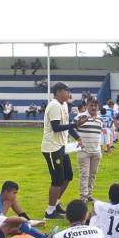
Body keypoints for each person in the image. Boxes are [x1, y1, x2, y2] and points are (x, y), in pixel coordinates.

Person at [41, 82, 81, 219]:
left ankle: (56, 203)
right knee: (57, 180)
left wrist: (78, 137)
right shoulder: (54, 106)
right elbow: (56, 127)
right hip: (52, 148)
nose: (68, 93)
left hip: (61, 147)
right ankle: (50, 211)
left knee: (68, 176)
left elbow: (67, 126)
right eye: (66, 91)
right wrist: (75, 124)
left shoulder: (63, 105)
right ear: (58, 92)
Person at [75, 99, 104, 202]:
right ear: (87, 106)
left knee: (92, 174)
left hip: (96, 151)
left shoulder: (100, 119)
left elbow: (99, 133)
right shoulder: (80, 117)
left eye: (95, 105)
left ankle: (89, 195)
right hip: (84, 151)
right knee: (84, 174)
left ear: (98, 107)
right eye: (91, 105)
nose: (93, 107)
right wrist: (77, 141)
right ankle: (83, 197)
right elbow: (72, 130)